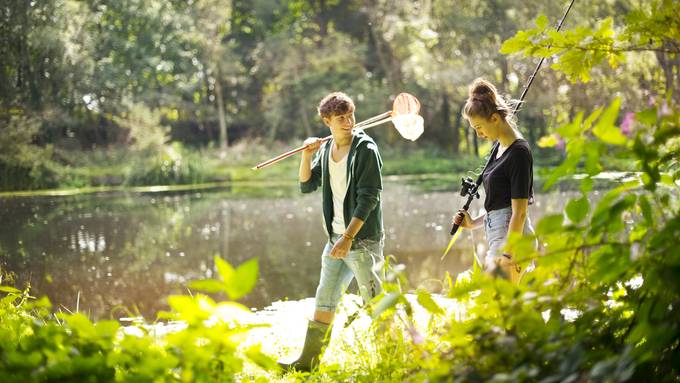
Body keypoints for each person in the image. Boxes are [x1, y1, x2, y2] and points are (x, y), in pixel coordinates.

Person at [278, 92, 385, 371]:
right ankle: (307, 362)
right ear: (327, 121)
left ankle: (390, 360)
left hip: (361, 240)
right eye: (341, 118)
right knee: (324, 298)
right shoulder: (326, 149)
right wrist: (306, 154)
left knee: (375, 303)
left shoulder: (366, 150)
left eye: (351, 116)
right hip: (336, 240)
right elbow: (306, 184)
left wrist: (348, 238)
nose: (349, 122)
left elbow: (369, 198)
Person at [452, 78, 535, 282]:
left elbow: (519, 212)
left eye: (479, 127)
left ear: (495, 119)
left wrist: (508, 253)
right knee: (504, 309)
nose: (479, 134)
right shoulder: (498, 149)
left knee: (494, 305)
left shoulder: (519, 153)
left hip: (512, 242)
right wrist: (472, 224)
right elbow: (500, 207)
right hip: (499, 237)